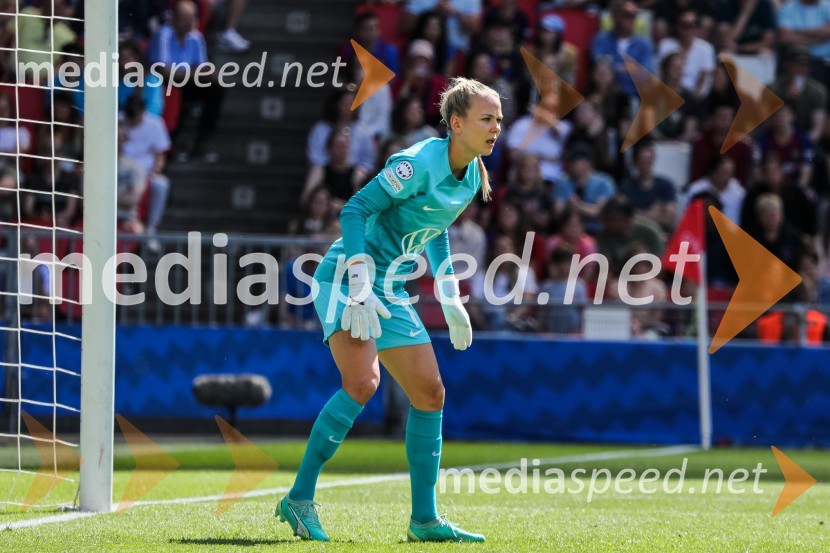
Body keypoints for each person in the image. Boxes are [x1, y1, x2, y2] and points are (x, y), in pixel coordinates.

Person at [276, 78, 498, 543]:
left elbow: (435, 228)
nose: (496, 127)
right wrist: (359, 280)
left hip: (391, 284)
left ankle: (424, 521)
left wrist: (449, 290)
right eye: (486, 118)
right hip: (346, 277)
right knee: (362, 383)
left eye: (498, 118)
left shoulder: (473, 172)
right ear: (456, 124)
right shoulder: (416, 163)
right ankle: (298, 499)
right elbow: (355, 210)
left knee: (430, 393)